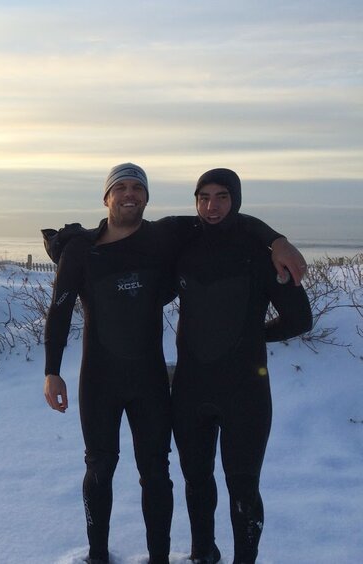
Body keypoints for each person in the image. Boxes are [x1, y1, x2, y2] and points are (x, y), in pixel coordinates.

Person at [43, 163, 308, 564]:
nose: (211, 206)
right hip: (140, 383)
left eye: (137, 188)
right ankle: (146, 555)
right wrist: (52, 369)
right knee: (143, 473)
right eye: (121, 187)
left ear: (147, 197)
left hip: (200, 385)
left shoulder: (199, 243)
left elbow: (295, 313)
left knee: (204, 481)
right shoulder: (111, 247)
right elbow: (63, 308)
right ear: (106, 196)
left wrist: (278, 240)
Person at [171, 169, 312, 564]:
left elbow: (301, 319)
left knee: (243, 486)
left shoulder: (261, 256)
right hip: (190, 389)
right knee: (196, 481)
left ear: (236, 200)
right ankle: (203, 553)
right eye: (203, 197)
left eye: (222, 197)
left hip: (244, 392)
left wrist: (253, 335)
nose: (211, 206)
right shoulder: (182, 246)